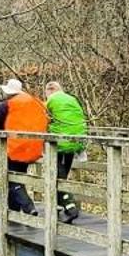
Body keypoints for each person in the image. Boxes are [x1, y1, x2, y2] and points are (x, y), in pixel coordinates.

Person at [0, 78, 47, 215]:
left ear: (9, 92)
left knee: (12, 178)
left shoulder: (7, 105)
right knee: (19, 175)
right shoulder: (37, 102)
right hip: (35, 146)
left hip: (15, 146)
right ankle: (13, 211)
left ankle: (29, 207)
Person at [44, 80, 87, 222]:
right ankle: (63, 204)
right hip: (76, 141)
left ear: (49, 92)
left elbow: (43, 119)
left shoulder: (50, 101)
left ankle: (70, 207)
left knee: (56, 174)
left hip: (59, 142)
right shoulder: (72, 99)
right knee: (62, 175)